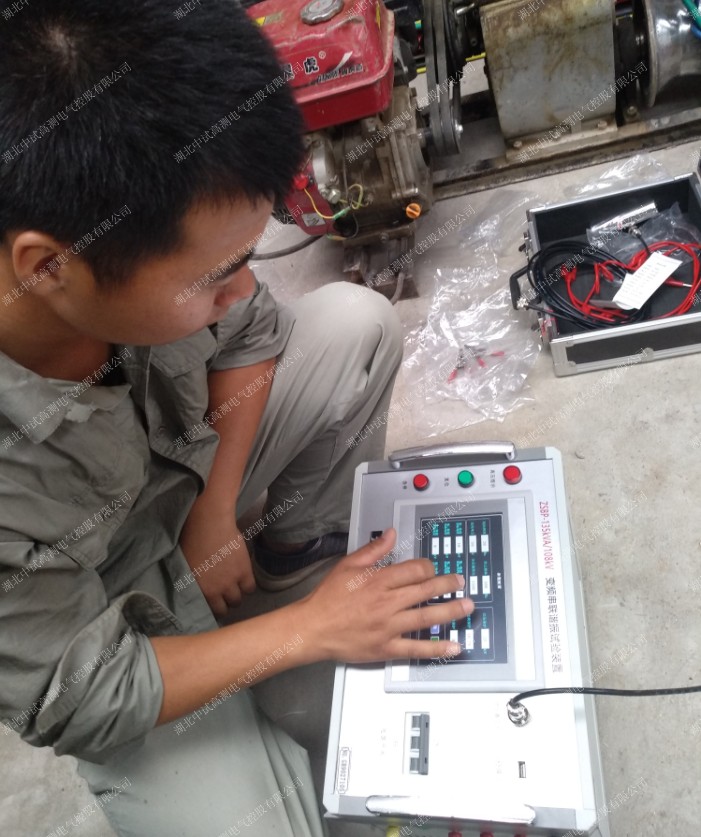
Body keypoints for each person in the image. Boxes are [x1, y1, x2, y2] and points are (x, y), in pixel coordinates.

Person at [0, 1, 473, 834]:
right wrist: (307, 632)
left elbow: (250, 332)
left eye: (245, 258)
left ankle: (285, 558)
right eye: (213, 275)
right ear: (48, 267)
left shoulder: (142, 249)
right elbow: (74, 694)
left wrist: (215, 512)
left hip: (175, 492)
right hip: (108, 611)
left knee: (353, 325)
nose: (240, 288)